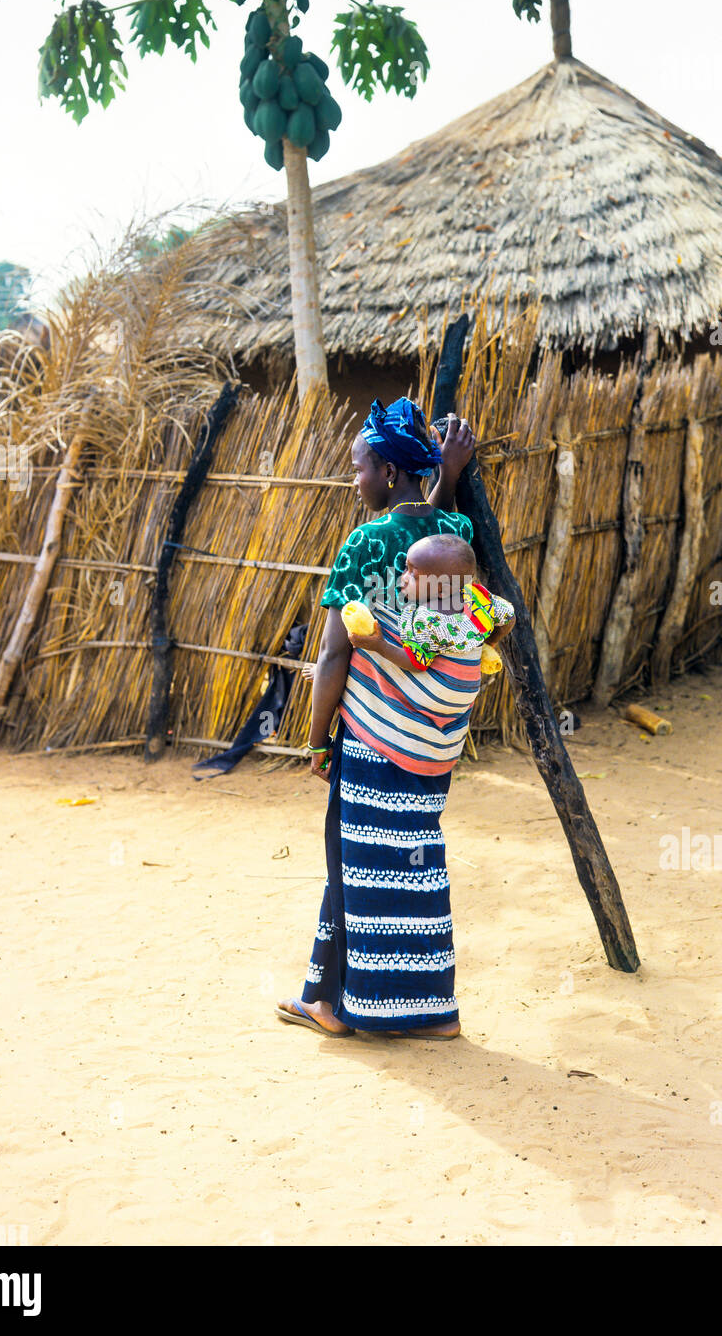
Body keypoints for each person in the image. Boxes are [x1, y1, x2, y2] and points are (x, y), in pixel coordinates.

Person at [275, 396, 477, 1040]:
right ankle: (429, 1011)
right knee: (417, 860)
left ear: (388, 473)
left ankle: (341, 1006)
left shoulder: (363, 544)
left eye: (360, 468)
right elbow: (433, 523)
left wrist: (315, 745)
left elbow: (334, 652)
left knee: (356, 862)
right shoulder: (456, 533)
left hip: (372, 735)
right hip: (432, 742)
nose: (353, 480)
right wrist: (448, 473)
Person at [345, 534, 515, 673]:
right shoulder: (478, 597)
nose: (403, 577)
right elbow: (510, 617)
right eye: (406, 568)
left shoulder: (423, 620)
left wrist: (379, 646)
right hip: (466, 697)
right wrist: (490, 642)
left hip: (439, 697)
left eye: (413, 575)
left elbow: (416, 664)